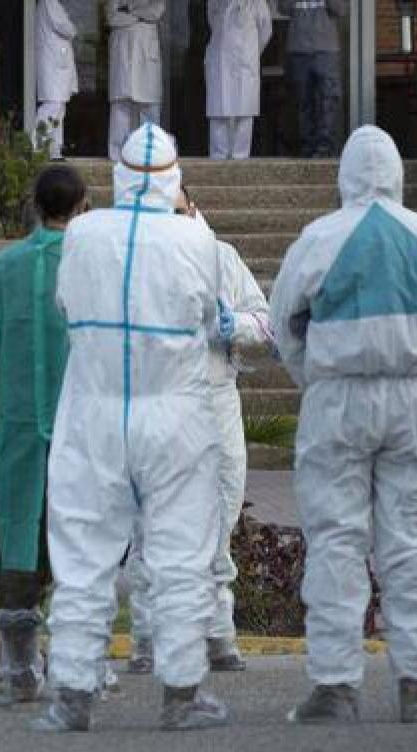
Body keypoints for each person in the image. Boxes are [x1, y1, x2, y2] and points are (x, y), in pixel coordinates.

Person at [34, 123, 230, 733]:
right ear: (174, 179)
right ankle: (181, 692)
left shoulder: (84, 234)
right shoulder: (196, 240)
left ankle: (72, 693)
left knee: (83, 554)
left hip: (93, 408)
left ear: (117, 178)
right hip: (174, 411)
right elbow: (214, 319)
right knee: (180, 553)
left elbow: (64, 307)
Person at [268, 126, 417, 723]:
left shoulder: (320, 238)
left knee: (335, 540)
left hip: (339, 400)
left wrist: (319, 379)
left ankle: (335, 685)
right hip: (416, 398)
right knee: (413, 543)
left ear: (343, 176)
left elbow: (283, 324)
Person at [125, 186, 274, 675]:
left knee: (219, 517)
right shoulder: (131, 265)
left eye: (177, 210)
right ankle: (147, 638)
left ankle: (217, 635)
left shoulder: (223, 258)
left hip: (214, 401)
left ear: (192, 210)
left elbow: (264, 318)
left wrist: (237, 326)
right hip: (157, 402)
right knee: (152, 525)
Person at [0, 165, 89, 703]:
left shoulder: (3, 267)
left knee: (19, 529)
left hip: (18, 421)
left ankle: (13, 656)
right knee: (81, 535)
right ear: (83, 206)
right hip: (80, 422)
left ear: (35, 206)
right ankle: (74, 658)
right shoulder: (89, 266)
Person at [205, 0, 274, 160]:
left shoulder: (257, 2)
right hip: (221, 58)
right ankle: (218, 156)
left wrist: (251, 51)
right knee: (219, 110)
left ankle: (240, 157)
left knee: (244, 112)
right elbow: (212, 22)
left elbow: (266, 30)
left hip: (245, 60)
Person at [281, 0, 348, 158]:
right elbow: (283, 8)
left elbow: (341, 9)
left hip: (326, 50)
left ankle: (326, 147)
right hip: (298, 49)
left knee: (328, 100)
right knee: (303, 101)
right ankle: (307, 146)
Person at [106, 0, 166, 162]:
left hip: (146, 55)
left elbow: (156, 12)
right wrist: (140, 15)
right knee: (121, 107)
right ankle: (117, 155)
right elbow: (112, 18)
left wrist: (129, 10)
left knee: (149, 108)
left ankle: (151, 155)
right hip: (123, 54)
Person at [34, 0, 79, 160]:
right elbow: (65, 27)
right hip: (52, 64)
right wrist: (74, 28)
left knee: (58, 108)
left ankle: (54, 150)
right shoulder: (49, 2)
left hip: (57, 65)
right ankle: (38, 147)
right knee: (52, 106)